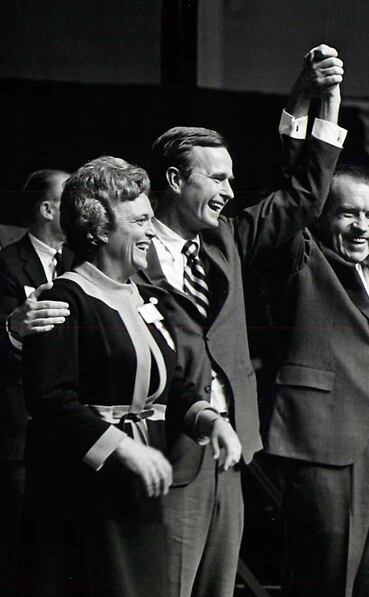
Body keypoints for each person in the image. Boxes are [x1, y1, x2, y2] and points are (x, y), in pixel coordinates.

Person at [138, 44, 346, 597]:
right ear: (176, 180)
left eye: (232, 180)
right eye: (218, 179)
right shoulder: (126, 252)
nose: (231, 192)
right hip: (159, 449)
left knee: (217, 587)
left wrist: (318, 104)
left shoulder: (227, 239)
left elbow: (304, 196)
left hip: (229, 449)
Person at [20, 156, 241, 597]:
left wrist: (210, 420)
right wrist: (123, 448)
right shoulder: (66, 299)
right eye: (140, 220)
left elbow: (172, 387)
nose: (149, 231)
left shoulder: (146, 300)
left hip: (138, 494)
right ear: (99, 229)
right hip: (86, 497)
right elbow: (50, 400)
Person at [254, 159, 369, 597]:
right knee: (322, 580)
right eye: (348, 213)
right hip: (323, 438)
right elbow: (290, 205)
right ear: (321, 215)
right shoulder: (302, 258)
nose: (363, 227)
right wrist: (317, 116)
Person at [0, 169, 69, 592]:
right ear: (47, 209)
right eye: (72, 197)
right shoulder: (6, 264)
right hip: (17, 435)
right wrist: (15, 329)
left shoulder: (87, 263)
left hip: (68, 435)